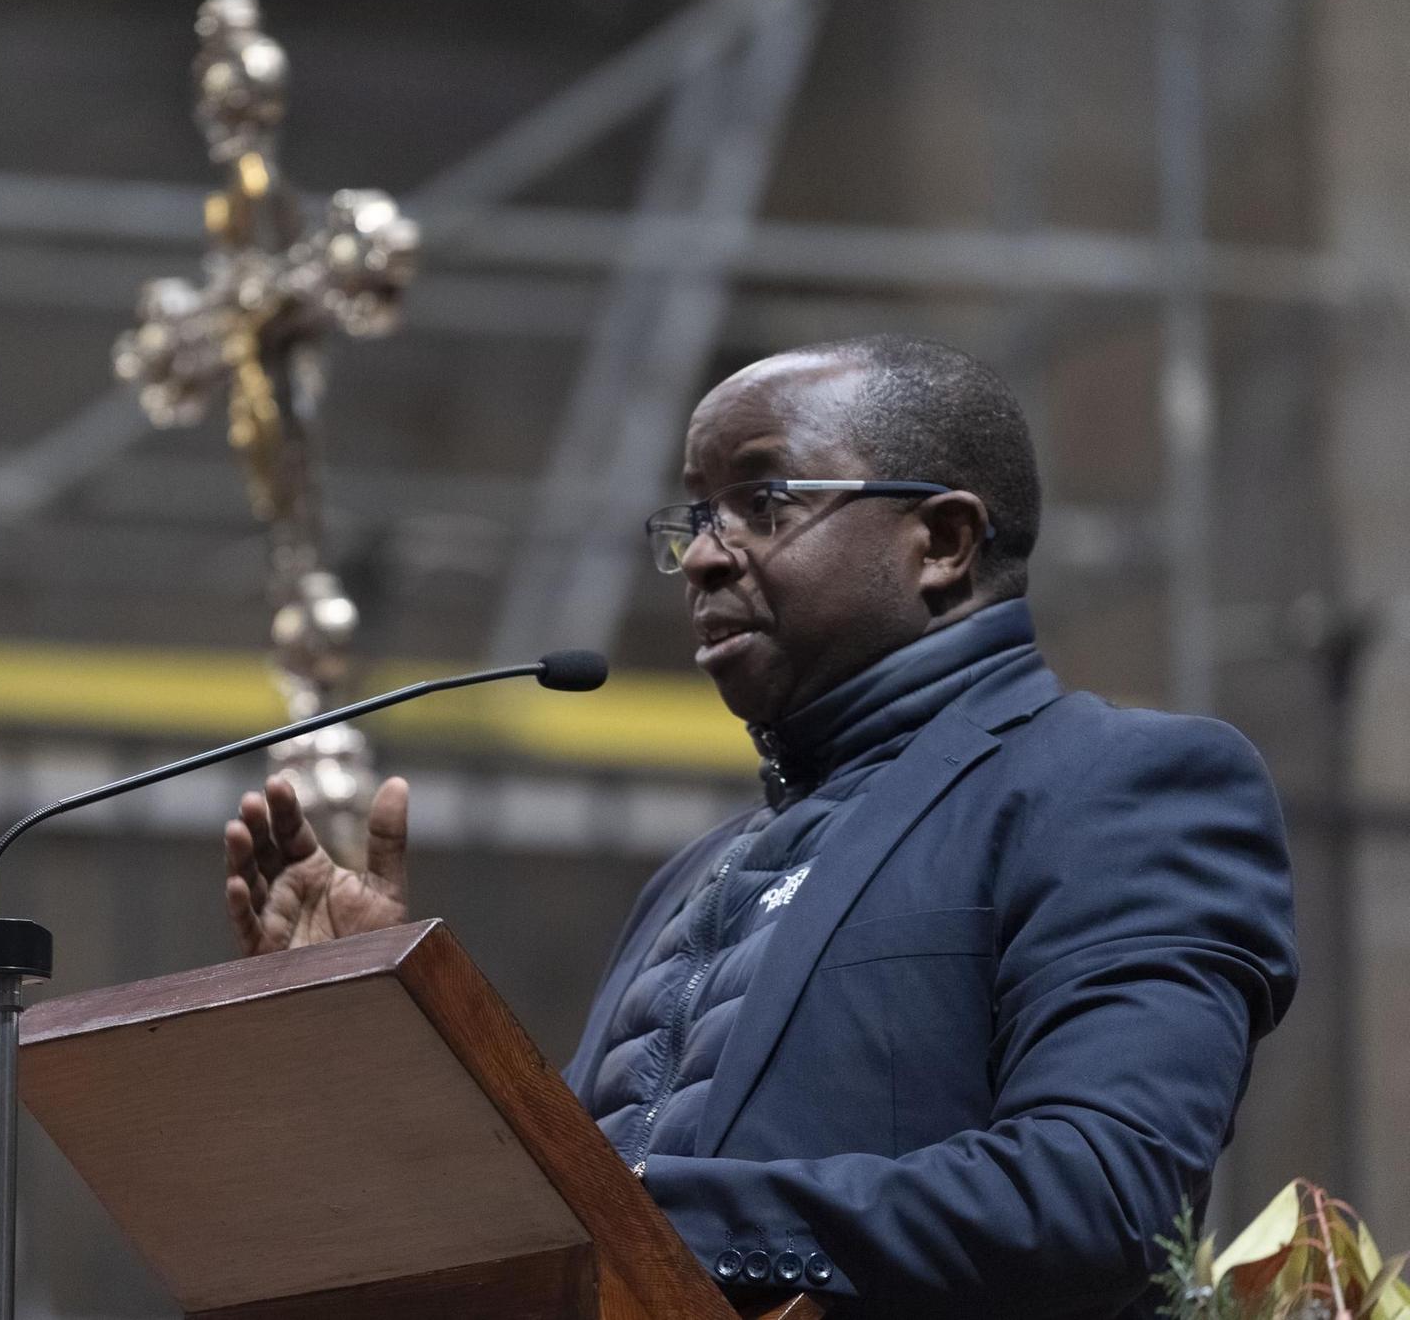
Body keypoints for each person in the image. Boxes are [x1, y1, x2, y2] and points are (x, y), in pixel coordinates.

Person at [218, 334, 1298, 1319]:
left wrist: (649, 1216)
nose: (701, 555)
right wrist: (376, 1042)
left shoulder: (1115, 784)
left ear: (940, 541)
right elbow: (542, 1223)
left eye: (763, 502)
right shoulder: (693, 873)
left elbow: (1098, 1194)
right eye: (695, 515)